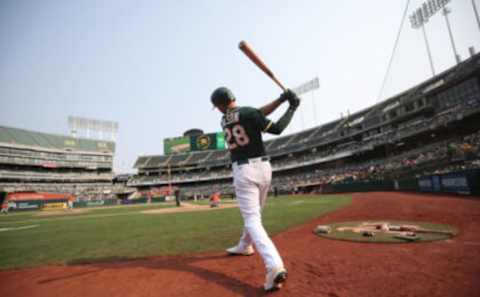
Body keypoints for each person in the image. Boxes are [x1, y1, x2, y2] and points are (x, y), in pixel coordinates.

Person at [211, 86, 300, 292]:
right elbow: (271, 124)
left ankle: (273, 265)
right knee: (254, 216)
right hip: (264, 169)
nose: (217, 110)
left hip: (244, 171)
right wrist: (291, 107)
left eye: (217, 106)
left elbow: (257, 114)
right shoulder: (248, 113)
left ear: (222, 104)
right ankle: (244, 245)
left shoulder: (226, 119)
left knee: (252, 219)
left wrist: (280, 100)